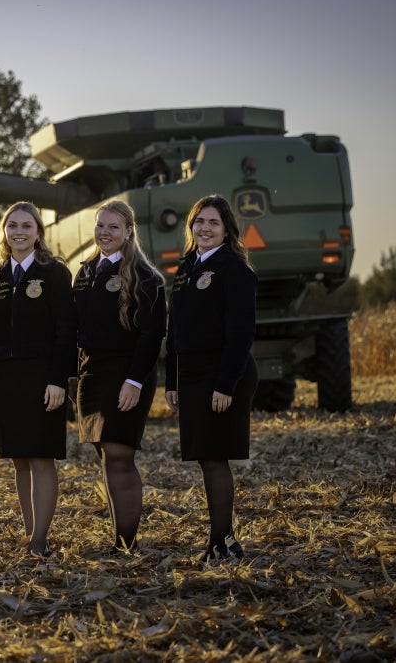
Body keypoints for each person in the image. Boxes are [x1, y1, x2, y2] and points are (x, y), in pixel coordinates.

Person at [164, 194, 258, 566]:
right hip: (191, 376)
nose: (204, 228)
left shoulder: (236, 270)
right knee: (205, 458)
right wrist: (171, 379)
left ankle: (222, 542)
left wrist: (225, 385)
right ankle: (224, 541)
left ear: (226, 230)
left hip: (223, 375)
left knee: (216, 459)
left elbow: (241, 335)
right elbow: (175, 331)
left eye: (213, 223)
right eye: (199, 221)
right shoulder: (186, 268)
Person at [0, 202, 76, 558]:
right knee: (19, 458)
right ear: (4, 232)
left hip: (42, 376)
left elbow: (66, 331)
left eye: (27, 225)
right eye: (12, 225)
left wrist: (58, 380)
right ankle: (29, 531)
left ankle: (40, 539)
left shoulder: (54, 273)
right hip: (6, 377)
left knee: (41, 458)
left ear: (38, 232)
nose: (19, 231)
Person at [72, 200, 166, 552]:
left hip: (127, 374)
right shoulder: (83, 273)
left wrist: (136, 381)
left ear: (128, 231)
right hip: (91, 375)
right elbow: (75, 330)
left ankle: (125, 544)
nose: (104, 233)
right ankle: (118, 540)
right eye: (100, 226)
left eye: (113, 227)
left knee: (119, 454)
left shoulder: (147, 277)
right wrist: (71, 377)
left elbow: (151, 336)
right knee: (104, 454)